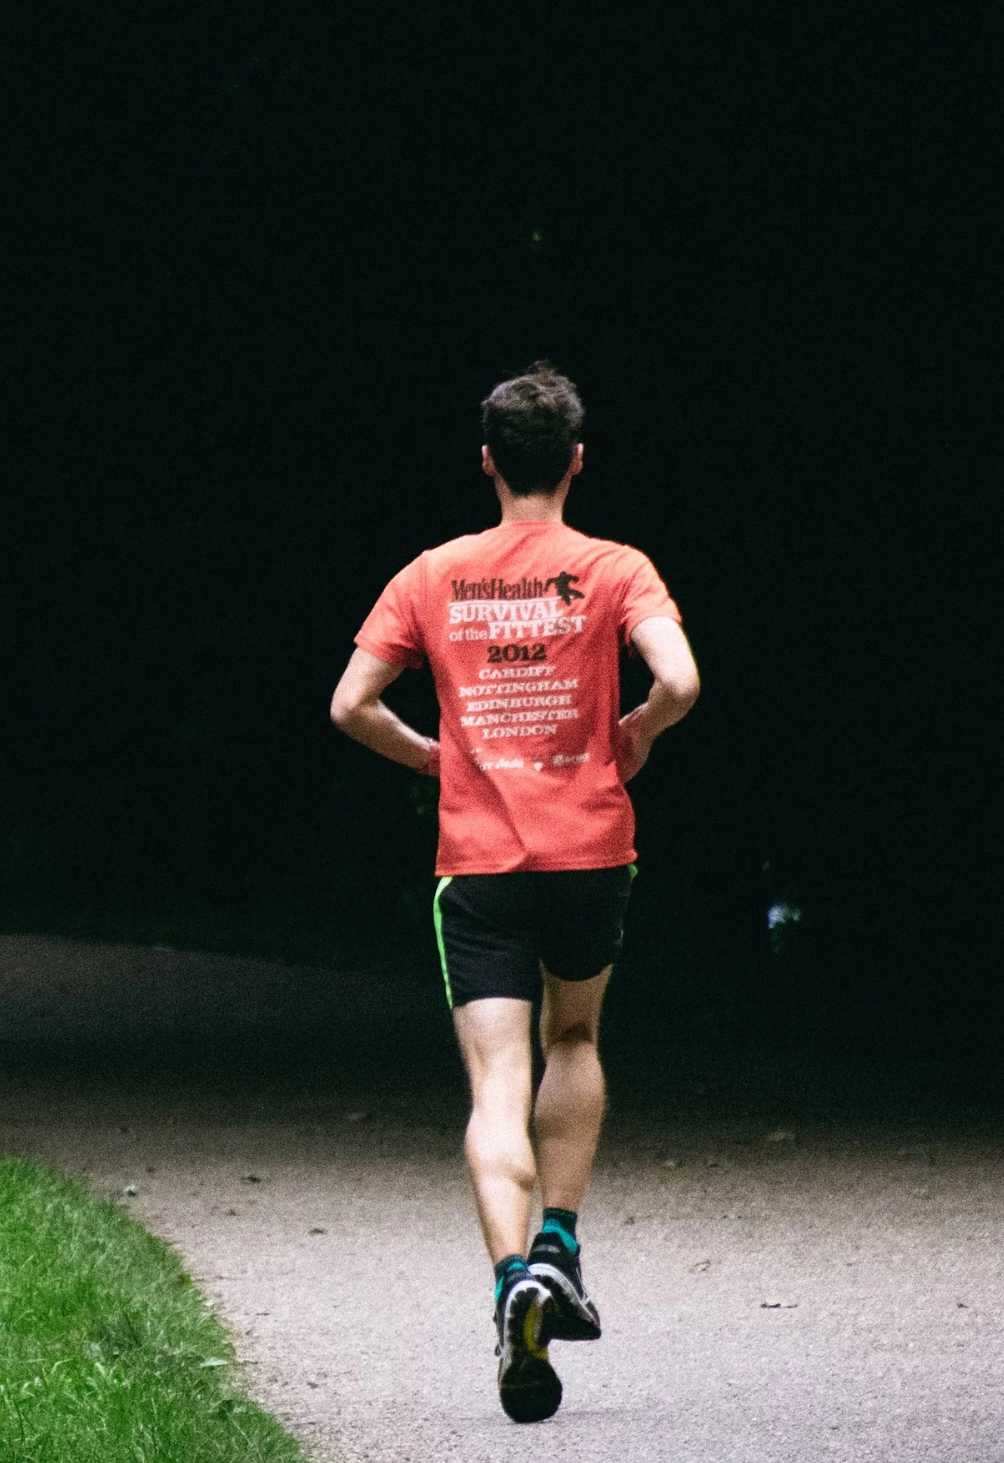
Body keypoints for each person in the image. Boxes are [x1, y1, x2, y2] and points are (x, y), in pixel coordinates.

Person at [328, 362, 700, 1424]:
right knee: (573, 1041)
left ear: (487, 460)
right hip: (589, 851)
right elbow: (678, 679)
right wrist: (636, 731)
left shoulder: (431, 573)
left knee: (496, 1083)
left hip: (478, 865)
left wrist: (431, 757)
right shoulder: (614, 566)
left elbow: (350, 702)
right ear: (576, 460)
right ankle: (560, 1247)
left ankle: (510, 1287)